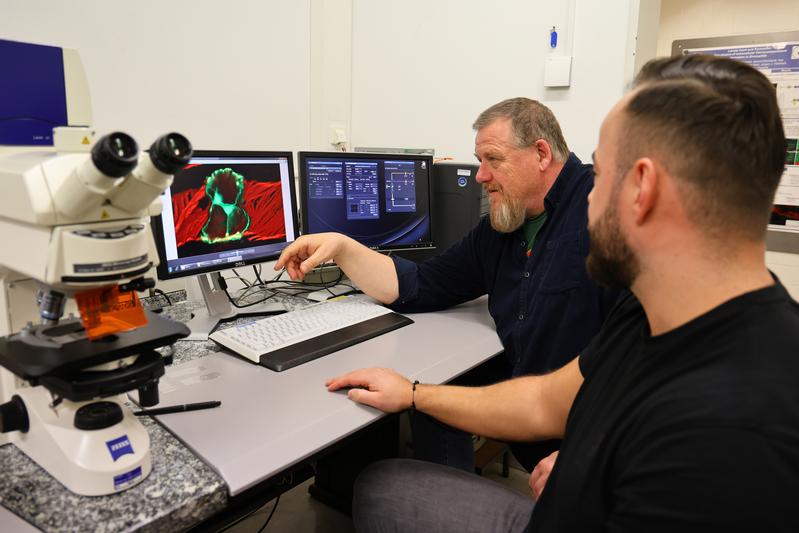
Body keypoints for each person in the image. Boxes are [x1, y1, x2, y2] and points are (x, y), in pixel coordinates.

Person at [325, 54, 799, 532]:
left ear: (643, 189)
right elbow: (543, 402)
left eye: (601, 174)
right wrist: (414, 394)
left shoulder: (736, 433)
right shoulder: (659, 313)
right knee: (383, 485)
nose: (588, 195)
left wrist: (586, 468)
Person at [276, 98, 618, 470]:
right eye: (480, 159)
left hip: (582, 436)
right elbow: (421, 284)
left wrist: (584, 457)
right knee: (436, 388)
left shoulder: (601, 210)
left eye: (493, 159)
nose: (480, 175)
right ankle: (448, 498)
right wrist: (343, 247)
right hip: (529, 407)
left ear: (540, 153)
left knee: (391, 463)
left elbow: (638, 353)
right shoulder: (503, 227)